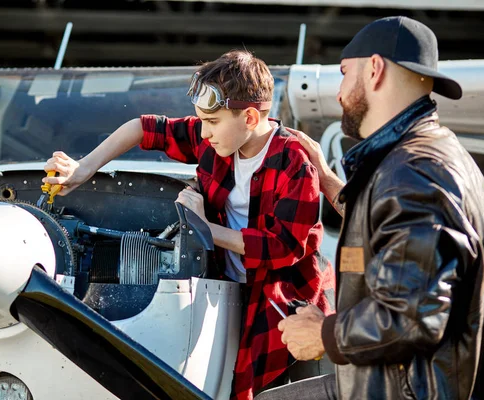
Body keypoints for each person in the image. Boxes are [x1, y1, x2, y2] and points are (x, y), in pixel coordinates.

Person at [43, 50, 335, 400]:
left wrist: (204, 227)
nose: (204, 132)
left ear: (251, 117)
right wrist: (85, 167)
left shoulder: (294, 163)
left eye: (212, 122)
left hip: (285, 304)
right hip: (228, 287)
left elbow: (283, 248)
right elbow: (143, 127)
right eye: (202, 121)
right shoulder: (214, 137)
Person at [261, 16, 484, 400]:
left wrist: (323, 333)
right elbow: (388, 231)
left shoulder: (413, 174)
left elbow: (412, 315)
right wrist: (328, 175)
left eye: (344, 73)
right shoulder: (428, 156)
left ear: (375, 69)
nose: (338, 92)